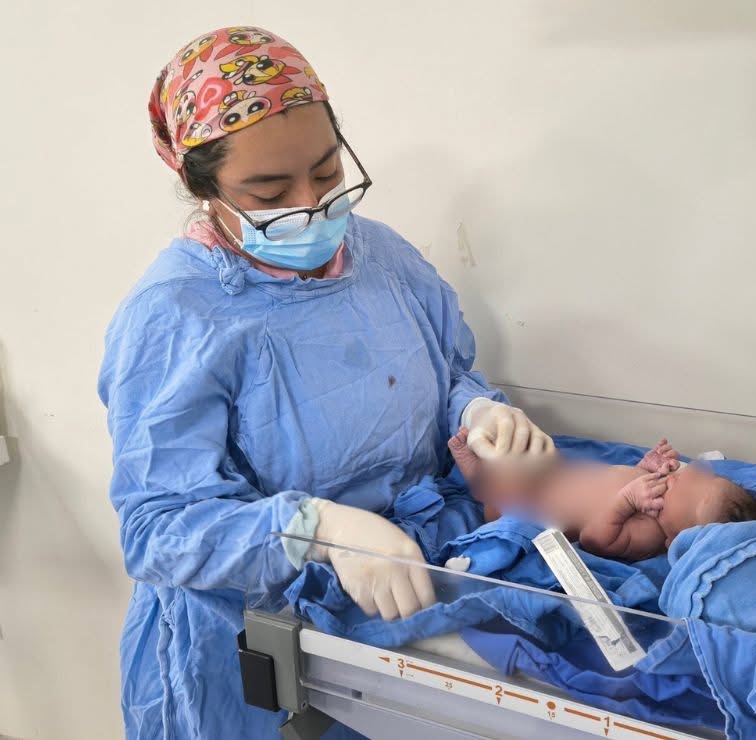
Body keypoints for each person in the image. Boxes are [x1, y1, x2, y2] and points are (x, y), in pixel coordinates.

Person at [98, 25, 555, 739]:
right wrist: (317, 531)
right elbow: (159, 529)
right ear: (201, 185)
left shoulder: (382, 257)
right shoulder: (175, 316)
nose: (312, 204)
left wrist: (477, 414)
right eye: (271, 191)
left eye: (327, 171)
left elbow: (447, 372)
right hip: (251, 652)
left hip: (389, 624)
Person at [449, 433, 756, 559]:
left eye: (687, 494)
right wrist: (646, 466)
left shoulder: (649, 534)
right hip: (560, 476)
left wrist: (626, 501)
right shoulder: (657, 492)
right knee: (542, 451)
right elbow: (628, 477)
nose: (681, 479)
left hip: (533, 506)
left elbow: (595, 540)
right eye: (699, 480)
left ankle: (479, 483)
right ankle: (490, 464)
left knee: (507, 489)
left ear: (676, 539)